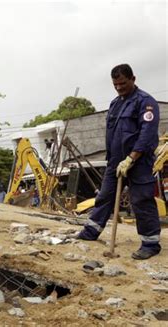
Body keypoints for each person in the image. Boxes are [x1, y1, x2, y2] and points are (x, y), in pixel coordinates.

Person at [77, 64, 162, 260]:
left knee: (141, 200)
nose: (119, 88)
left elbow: (147, 134)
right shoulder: (116, 103)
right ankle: (90, 232)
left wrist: (132, 158)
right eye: (115, 85)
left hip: (138, 162)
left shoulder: (146, 102)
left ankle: (150, 244)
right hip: (116, 161)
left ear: (133, 78)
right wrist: (116, 160)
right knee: (105, 195)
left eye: (122, 83)